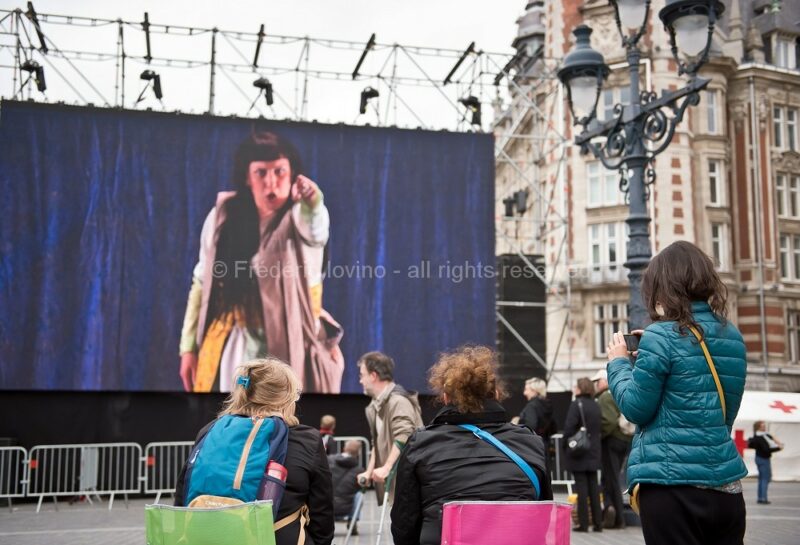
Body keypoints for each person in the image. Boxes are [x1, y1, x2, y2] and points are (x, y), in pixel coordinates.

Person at [178, 130, 344, 394]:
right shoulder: (223, 217)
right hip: (236, 345)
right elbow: (201, 281)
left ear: (292, 176)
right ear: (247, 177)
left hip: (292, 342)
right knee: (235, 411)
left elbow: (315, 228)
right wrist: (188, 347)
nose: (272, 183)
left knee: (284, 417)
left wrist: (313, 201)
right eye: (261, 173)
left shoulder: (301, 216)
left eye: (279, 172)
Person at [606, 240, 748, 545]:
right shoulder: (732, 335)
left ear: (663, 285)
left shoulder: (661, 335)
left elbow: (635, 408)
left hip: (672, 488)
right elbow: (723, 412)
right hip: (726, 488)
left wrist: (619, 364)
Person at [390, 346, 552, 545]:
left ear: (446, 397)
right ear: (497, 393)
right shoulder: (531, 443)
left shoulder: (421, 444)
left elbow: (404, 524)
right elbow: (542, 515)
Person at [174, 358, 334, 545]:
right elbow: (322, 514)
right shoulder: (306, 439)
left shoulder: (210, 431)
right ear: (285, 398)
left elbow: (182, 495)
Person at [355, 351, 423, 503]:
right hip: (396, 482)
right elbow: (376, 443)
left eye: (362, 375)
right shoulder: (375, 406)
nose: (360, 380)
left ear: (373, 376)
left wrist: (386, 468)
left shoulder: (398, 401)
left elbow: (404, 436)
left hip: (409, 481)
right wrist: (369, 471)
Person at [591, 369, 631, 529]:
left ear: (605, 381)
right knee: (610, 477)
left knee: (612, 478)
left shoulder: (605, 397)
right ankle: (610, 509)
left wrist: (599, 436)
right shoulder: (617, 393)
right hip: (623, 440)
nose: (596, 385)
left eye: (597, 381)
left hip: (611, 441)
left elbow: (608, 421)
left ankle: (619, 517)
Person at [563, 377, 603, 533]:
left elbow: (569, 427)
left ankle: (584, 523)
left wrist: (566, 444)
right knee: (593, 486)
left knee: (581, 487)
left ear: (580, 388)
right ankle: (598, 523)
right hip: (593, 450)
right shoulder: (595, 404)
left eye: (575, 386)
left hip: (579, 451)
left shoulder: (576, 404)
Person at [518, 377, 556, 472]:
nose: (524, 393)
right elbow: (554, 427)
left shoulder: (532, 406)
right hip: (545, 446)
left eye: (526, 389)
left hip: (533, 450)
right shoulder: (548, 405)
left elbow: (531, 426)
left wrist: (518, 425)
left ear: (534, 391)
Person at [748, 420, 784, 504]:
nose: (764, 427)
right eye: (762, 426)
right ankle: (763, 498)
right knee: (765, 479)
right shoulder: (760, 437)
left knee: (762, 479)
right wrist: (778, 448)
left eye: (764, 426)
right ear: (758, 427)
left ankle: (761, 497)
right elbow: (766, 450)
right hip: (763, 459)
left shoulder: (763, 435)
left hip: (761, 458)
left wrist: (774, 439)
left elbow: (773, 440)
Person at [328, 440, 365, 519]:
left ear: (344, 448)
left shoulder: (328, 460)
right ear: (358, 453)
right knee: (359, 494)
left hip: (324, 507)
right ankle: (352, 521)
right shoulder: (359, 470)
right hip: (344, 510)